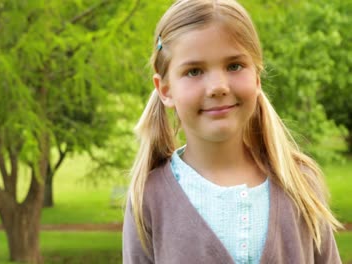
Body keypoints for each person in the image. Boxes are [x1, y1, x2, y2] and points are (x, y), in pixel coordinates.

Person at [122, 0, 342, 263]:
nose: (218, 86)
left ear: (257, 77)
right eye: (194, 71)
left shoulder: (300, 185)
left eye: (234, 66)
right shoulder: (149, 197)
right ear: (165, 90)